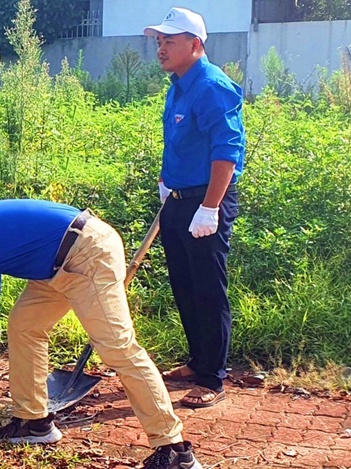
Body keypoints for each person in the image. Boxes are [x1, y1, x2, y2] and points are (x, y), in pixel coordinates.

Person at [0, 197, 204, 469]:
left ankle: (175, 452)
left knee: (119, 349)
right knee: (25, 326)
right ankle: (34, 422)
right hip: (58, 264)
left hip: (86, 254)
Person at [144, 8, 245, 408]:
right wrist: (167, 183)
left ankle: (213, 377)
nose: (161, 48)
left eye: (169, 41)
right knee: (184, 284)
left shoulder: (212, 86)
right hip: (177, 200)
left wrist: (210, 207)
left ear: (195, 44)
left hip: (206, 201)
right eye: (159, 41)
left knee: (207, 286)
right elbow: (182, 144)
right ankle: (197, 360)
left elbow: (226, 152)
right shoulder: (178, 85)